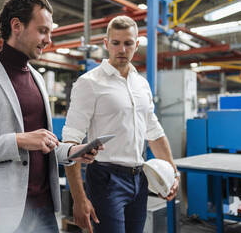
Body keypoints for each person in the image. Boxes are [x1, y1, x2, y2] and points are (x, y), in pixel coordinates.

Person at [0, 0, 100, 233]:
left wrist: (72, 151)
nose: (48, 40)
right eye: (42, 31)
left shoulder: (37, 78)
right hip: (0, 215)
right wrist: (18, 140)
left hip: (44, 210)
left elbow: (42, 144)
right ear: (16, 26)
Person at [62, 16, 180, 233]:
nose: (122, 49)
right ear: (106, 44)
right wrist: (78, 198)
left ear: (137, 44)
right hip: (106, 180)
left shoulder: (141, 84)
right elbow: (71, 141)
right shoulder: (89, 83)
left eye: (128, 43)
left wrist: (173, 173)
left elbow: (154, 132)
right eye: (115, 43)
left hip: (139, 178)